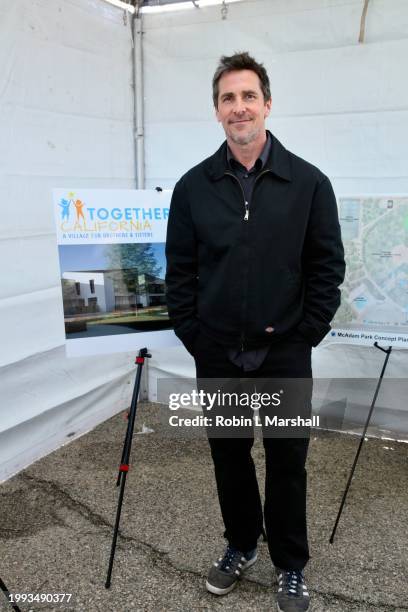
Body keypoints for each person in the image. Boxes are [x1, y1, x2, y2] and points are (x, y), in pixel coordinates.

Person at [165, 51, 345, 612]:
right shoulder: (193, 188)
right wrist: (197, 336)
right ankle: (241, 543)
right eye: (227, 98)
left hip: (285, 350)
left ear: (267, 104)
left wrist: (306, 333)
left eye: (248, 96)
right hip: (218, 350)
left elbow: (326, 267)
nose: (238, 107)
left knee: (288, 459)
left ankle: (290, 564)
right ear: (217, 111)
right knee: (230, 455)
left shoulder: (309, 184)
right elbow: (181, 273)